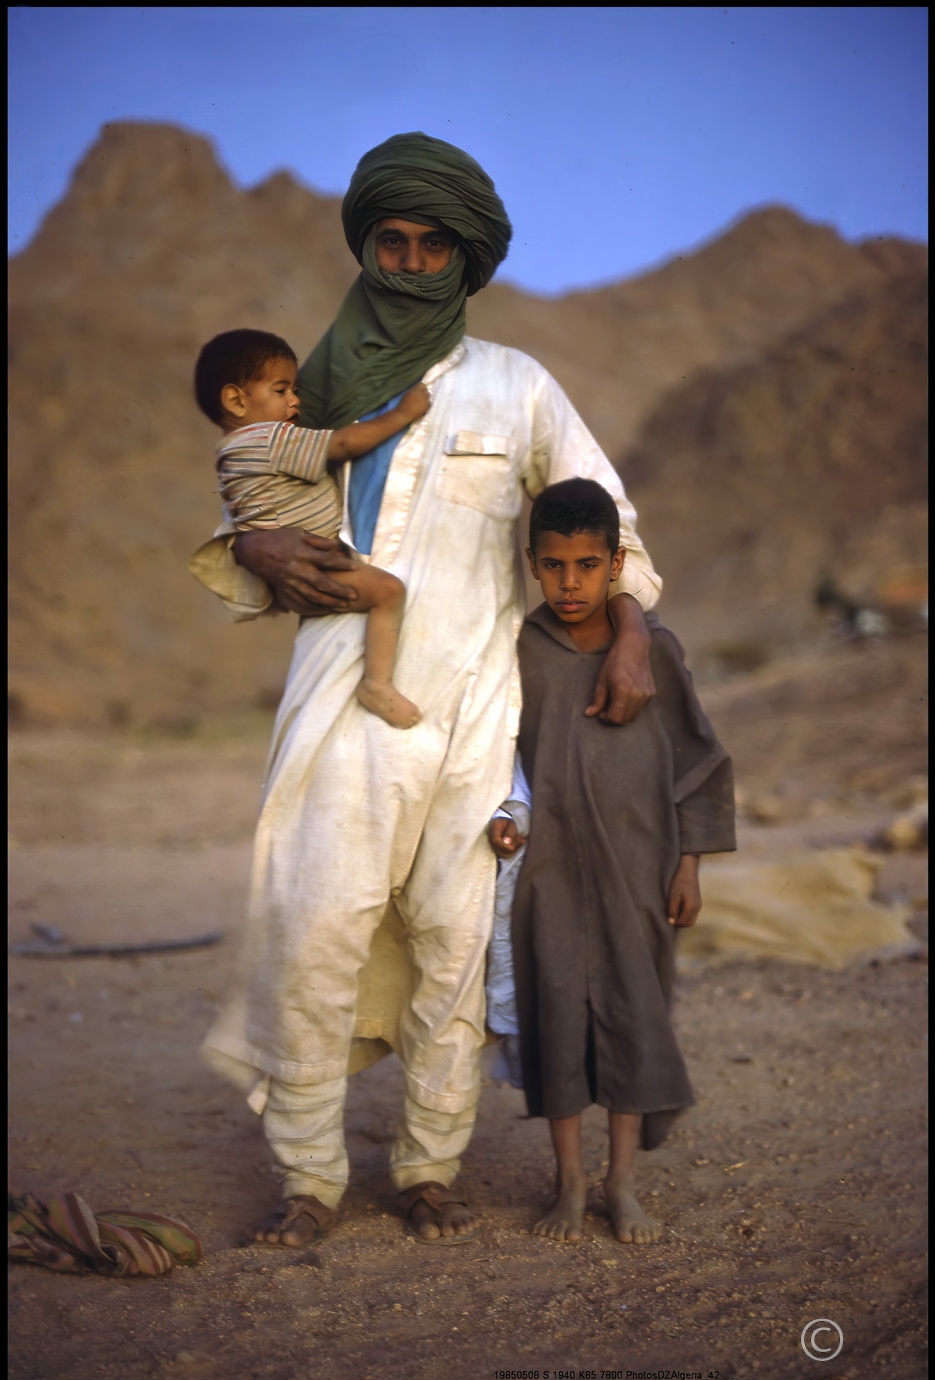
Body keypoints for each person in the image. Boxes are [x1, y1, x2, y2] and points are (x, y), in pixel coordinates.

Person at [189, 132, 663, 1248]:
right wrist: (250, 549)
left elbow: (615, 529)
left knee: (454, 941)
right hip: (340, 696)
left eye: (429, 244)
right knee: (315, 928)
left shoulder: (518, 386)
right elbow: (252, 487)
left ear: (463, 257)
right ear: (366, 247)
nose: (406, 262)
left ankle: (428, 1166)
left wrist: (631, 631)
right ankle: (307, 1179)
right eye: (389, 241)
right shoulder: (313, 389)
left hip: (475, 709)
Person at [488, 480, 736, 1246]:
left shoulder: (652, 650)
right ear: (532, 564)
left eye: (587, 565)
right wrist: (504, 823)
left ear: (615, 563)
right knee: (555, 1012)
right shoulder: (519, 651)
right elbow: (493, 760)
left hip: (639, 868)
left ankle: (620, 1183)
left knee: (634, 1009)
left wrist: (688, 863)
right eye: (555, 565)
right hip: (549, 873)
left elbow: (699, 762)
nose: (570, 583)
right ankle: (566, 1181)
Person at [194, 327, 429, 728]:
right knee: (390, 592)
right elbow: (341, 445)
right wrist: (403, 415)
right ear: (235, 399)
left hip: (292, 581)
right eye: (281, 390)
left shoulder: (231, 454)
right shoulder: (269, 439)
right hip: (319, 570)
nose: (295, 401)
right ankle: (377, 684)